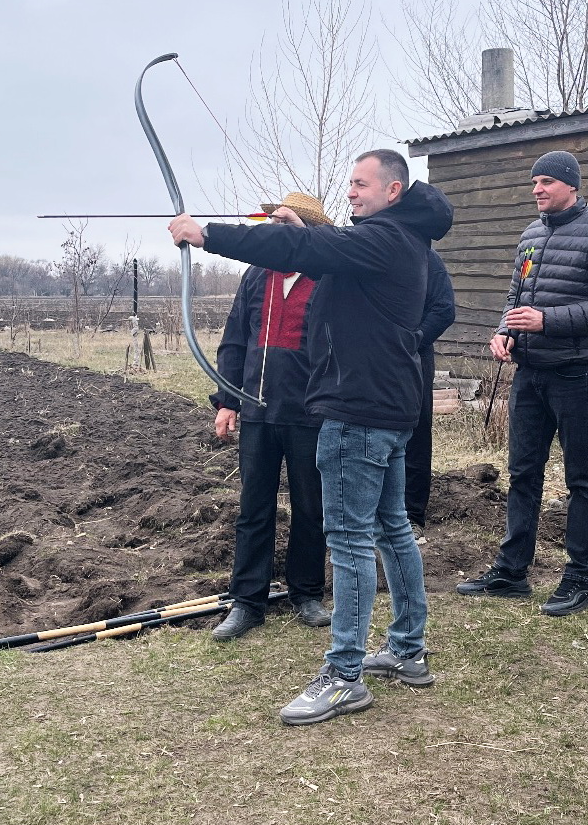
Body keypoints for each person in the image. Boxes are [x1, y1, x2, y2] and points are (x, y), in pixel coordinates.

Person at [170, 150, 454, 725]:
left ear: (393, 190)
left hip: (357, 411)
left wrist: (206, 235)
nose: (350, 192)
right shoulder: (403, 238)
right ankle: (407, 648)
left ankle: (344, 676)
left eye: (361, 184)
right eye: (349, 183)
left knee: (349, 541)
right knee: (391, 529)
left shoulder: (384, 238)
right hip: (385, 407)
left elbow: (302, 249)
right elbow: (313, 251)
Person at [457, 150, 588, 616]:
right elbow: (516, 295)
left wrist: (547, 320)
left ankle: (579, 579)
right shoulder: (532, 234)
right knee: (523, 473)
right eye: (534, 181)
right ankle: (512, 572)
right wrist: (505, 331)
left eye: (547, 182)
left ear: (571, 184)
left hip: (576, 371)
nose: (537, 189)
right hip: (530, 372)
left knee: (583, 478)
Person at [210, 192, 332, 640]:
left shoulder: (326, 276)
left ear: (305, 230)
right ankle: (247, 602)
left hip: (310, 413)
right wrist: (228, 401)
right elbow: (234, 341)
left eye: (283, 222)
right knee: (253, 508)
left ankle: (307, 593)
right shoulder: (257, 274)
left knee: (310, 507)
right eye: (272, 222)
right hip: (258, 410)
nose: (273, 230)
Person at [405, 250, 456, 529]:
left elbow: (444, 309)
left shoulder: (426, 258)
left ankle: (412, 513)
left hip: (413, 357)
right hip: (372, 357)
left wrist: (414, 340)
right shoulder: (367, 249)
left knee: (416, 430)